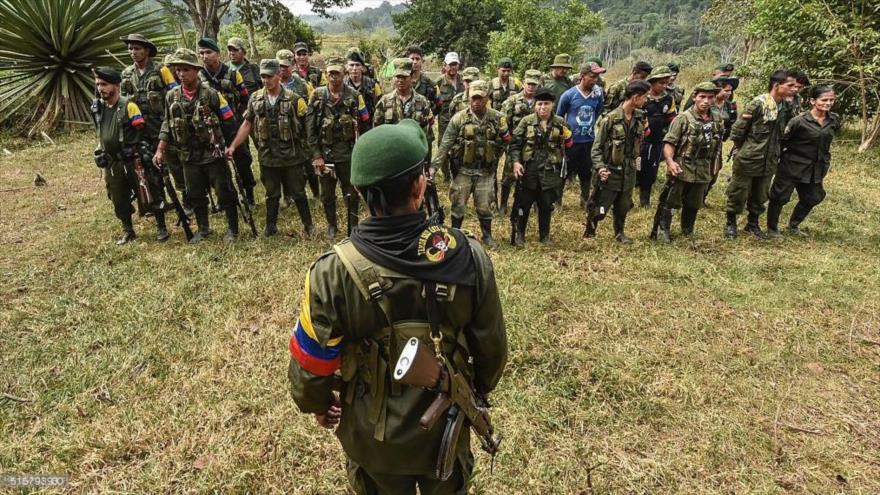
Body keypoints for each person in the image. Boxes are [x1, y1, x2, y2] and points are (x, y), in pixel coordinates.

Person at [287, 119, 507, 495]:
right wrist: (478, 389)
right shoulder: (468, 256)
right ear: (420, 186)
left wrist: (320, 404)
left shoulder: (332, 271)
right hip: (447, 428)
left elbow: (311, 363)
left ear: (358, 191)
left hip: (374, 438)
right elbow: (492, 351)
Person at [153, 49, 240, 243]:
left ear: (196, 70)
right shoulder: (171, 97)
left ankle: (233, 228)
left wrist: (230, 146)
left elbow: (228, 120)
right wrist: (160, 149)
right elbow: (167, 124)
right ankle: (203, 229)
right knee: (195, 193)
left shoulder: (211, 94)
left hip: (212, 153)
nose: (182, 74)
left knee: (224, 191)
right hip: (188, 155)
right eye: (178, 70)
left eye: (186, 69)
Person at [226, 59, 314, 238]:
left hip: (292, 156)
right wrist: (234, 146)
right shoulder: (255, 98)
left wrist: (313, 153)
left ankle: (308, 225)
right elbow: (247, 123)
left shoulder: (294, 99)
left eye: (270, 76)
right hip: (268, 156)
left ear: (278, 76)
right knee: (271, 194)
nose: (266, 80)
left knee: (298, 192)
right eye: (263, 76)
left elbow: (307, 128)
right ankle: (270, 226)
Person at [91, 67, 167, 244]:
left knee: (149, 192)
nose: (100, 88)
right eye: (97, 84)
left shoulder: (129, 106)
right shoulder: (97, 108)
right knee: (118, 197)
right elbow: (99, 132)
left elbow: (143, 131)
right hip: (113, 162)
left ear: (116, 85)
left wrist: (142, 151)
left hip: (133, 159)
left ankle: (161, 226)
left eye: (104, 84)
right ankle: (128, 229)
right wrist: (99, 151)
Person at [432, 80, 511, 247]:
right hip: (463, 171)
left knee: (484, 206)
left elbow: (507, 142)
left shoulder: (498, 118)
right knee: (458, 204)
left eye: (480, 98)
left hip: (485, 172)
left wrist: (501, 157)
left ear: (487, 98)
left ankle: (487, 235)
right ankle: (455, 234)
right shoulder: (459, 118)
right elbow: (445, 144)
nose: (476, 102)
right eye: (473, 98)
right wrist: (434, 167)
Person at [725, 69, 798, 240]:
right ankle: (731, 223)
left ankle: (752, 224)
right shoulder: (758, 104)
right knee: (739, 191)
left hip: (770, 158)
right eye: (790, 85)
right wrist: (745, 150)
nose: (794, 89)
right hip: (750, 157)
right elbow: (738, 132)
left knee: (761, 194)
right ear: (776, 85)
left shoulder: (786, 106)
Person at [306, 57, 370, 237]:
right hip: (325, 155)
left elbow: (365, 123)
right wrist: (316, 155)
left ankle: (353, 226)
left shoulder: (355, 96)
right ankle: (332, 225)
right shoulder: (317, 95)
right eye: (330, 74)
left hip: (348, 154)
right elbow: (310, 129)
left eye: (337, 73)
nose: (334, 77)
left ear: (344, 74)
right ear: (326, 75)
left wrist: (361, 152)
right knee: (327, 194)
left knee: (351, 193)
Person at [653, 82, 725, 241]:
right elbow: (669, 143)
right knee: (672, 201)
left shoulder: (718, 119)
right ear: (694, 97)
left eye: (710, 97)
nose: (706, 101)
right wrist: (670, 162)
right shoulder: (683, 119)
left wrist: (716, 165)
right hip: (682, 165)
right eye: (702, 97)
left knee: (694, 202)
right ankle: (663, 229)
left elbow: (718, 143)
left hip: (703, 166)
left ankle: (687, 229)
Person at [118, 34, 183, 208]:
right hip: (139, 128)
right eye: (130, 49)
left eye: (137, 48)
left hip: (161, 125)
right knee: (147, 165)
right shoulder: (126, 74)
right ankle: (159, 199)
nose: (133, 52)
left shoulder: (161, 70)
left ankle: (186, 197)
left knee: (173, 161)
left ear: (146, 50)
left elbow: (175, 93)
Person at [766, 86, 840, 238]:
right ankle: (772, 229)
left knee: (814, 196)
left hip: (816, 167)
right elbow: (783, 141)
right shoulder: (798, 121)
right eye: (824, 100)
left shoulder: (833, 120)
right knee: (779, 197)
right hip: (792, 165)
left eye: (831, 100)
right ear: (813, 101)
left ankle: (793, 225)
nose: (828, 103)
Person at [584, 81, 650, 243]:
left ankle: (619, 232)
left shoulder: (639, 117)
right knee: (599, 206)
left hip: (629, 170)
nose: (646, 100)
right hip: (610, 170)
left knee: (623, 205)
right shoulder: (610, 119)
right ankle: (590, 232)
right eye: (644, 97)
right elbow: (596, 148)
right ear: (635, 97)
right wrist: (600, 168)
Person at [508, 87, 573, 246]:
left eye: (546, 104)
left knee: (546, 205)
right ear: (534, 105)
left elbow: (569, 145)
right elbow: (515, 145)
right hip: (529, 171)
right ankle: (520, 235)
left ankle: (544, 235)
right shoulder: (526, 122)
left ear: (552, 105)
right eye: (539, 104)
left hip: (549, 172)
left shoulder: (560, 123)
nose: (542, 108)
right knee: (523, 205)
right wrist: (516, 163)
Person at [197, 37, 256, 206]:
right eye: (202, 53)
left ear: (218, 53)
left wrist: (243, 116)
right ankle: (225, 198)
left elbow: (245, 97)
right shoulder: (199, 76)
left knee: (242, 159)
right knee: (216, 164)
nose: (205, 56)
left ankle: (249, 194)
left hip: (233, 125)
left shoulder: (232, 74)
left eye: (209, 52)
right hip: (210, 128)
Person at [555, 61, 606, 209]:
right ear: (582, 76)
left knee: (586, 172)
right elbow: (559, 117)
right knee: (564, 172)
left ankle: (584, 200)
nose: (595, 79)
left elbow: (597, 112)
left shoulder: (597, 94)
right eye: (592, 76)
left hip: (588, 140)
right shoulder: (569, 95)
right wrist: (565, 136)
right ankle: (557, 202)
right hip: (571, 142)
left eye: (597, 76)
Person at [498, 69, 542, 214]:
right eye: (529, 84)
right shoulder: (512, 101)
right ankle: (503, 204)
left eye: (534, 85)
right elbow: (503, 123)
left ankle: (535, 202)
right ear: (523, 83)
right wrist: (508, 141)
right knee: (508, 176)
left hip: (534, 145)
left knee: (534, 174)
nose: (531, 87)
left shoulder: (541, 103)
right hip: (515, 143)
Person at [637, 69, 677, 208]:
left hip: (656, 142)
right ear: (652, 83)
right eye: (661, 83)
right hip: (640, 141)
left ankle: (645, 199)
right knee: (636, 167)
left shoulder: (668, 99)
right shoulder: (643, 98)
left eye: (666, 83)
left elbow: (672, 119)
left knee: (650, 171)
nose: (664, 86)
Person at [373, 59, 434, 141]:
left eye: (404, 77)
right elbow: (377, 129)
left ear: (411, 77)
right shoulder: (385, 101)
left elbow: (427, 135)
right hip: (392, 146)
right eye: (398, 77)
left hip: (414, 147)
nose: (401, 80)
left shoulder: (422, 101)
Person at [703, 76, 739, 205]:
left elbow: (734, 123)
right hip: (702, 140)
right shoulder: (705, 103)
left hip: (718, 143)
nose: (729, 93)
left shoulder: (730, 106)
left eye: (730, 91)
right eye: (726, 90)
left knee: (715, 171)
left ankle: (703, 196)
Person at [345, 49, 382, 133]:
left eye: (357, 65)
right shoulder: (342, 85)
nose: (354, 68)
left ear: (362, 67)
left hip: (369, 127)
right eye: (351, 65)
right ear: (347, 67)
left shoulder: (373, 85)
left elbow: (380, 105)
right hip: (348, 130)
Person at [436, 52, 465, 146]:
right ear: (444, 65)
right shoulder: (438, 83)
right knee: (443, 154)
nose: (453, 67)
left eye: (455, 64)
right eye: (450, 64)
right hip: (445, 126)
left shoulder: (465, 82)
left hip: (462, 125)